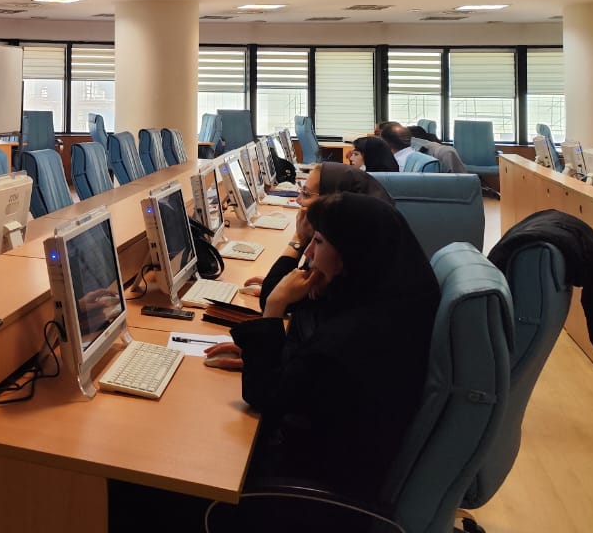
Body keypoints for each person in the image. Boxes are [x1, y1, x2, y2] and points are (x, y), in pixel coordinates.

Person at [110, 192, 440, 530]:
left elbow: (263, 394)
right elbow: (308, 379)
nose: (308, 253)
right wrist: (264, 352)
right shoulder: (384, 305)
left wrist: (274, 307)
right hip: (324, 469)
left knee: (128, 483)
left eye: (319, 242)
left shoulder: (350, 339)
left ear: (352, 255)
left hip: (303, 504)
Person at [245, 162, 394, 305]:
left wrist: (299, 238)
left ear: (331, 200)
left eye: (306, 194)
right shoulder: (352, 251)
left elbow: (270, 299)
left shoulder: (342, 266)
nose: (298, 200)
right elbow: (280, 293)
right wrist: (280, 282)